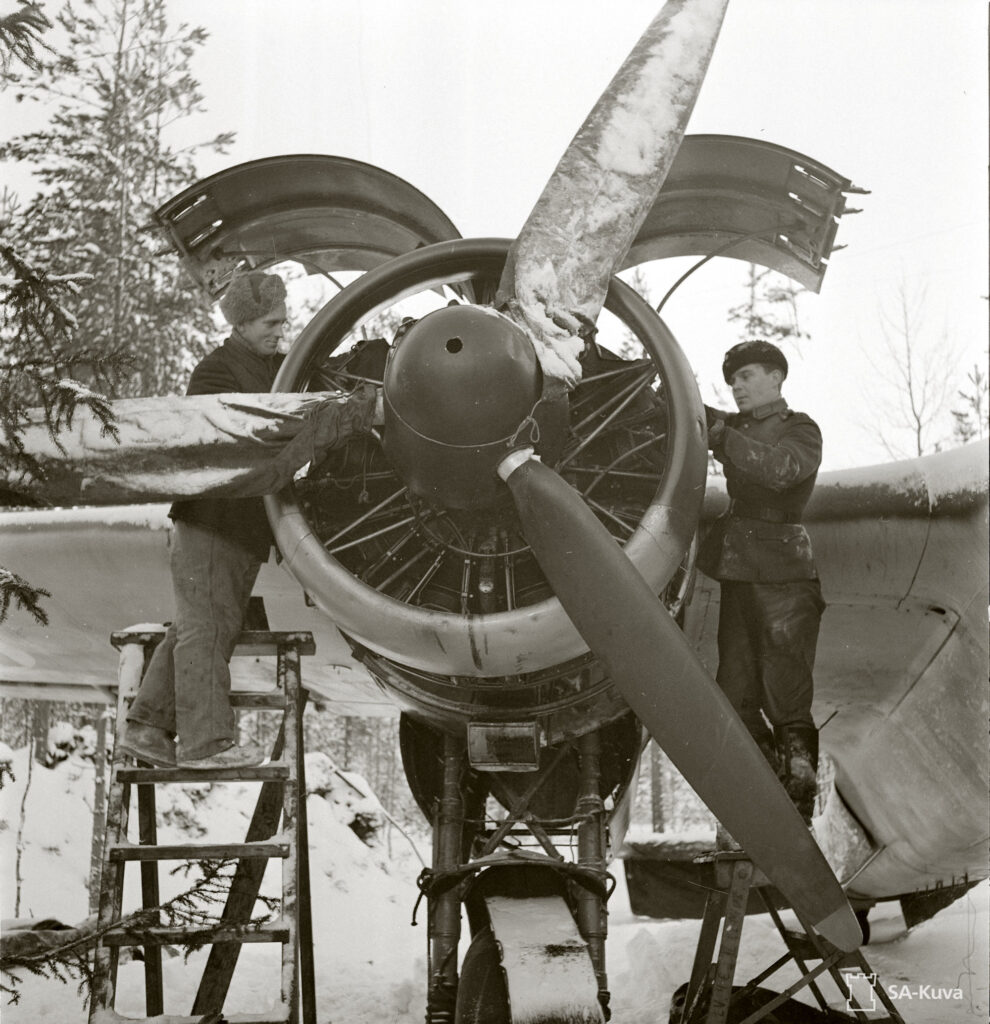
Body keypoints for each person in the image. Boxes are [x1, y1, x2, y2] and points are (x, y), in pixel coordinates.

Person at [119, 271, 376, 770]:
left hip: (237, 530)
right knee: (206, 629)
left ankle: (148, 729)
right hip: (212, 522)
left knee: (203, 623)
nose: (281, 330)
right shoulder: (213, 376)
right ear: (239, 323)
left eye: (283, 320)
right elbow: (247, 452)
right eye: (269, 322)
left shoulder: (276, 366)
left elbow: (318, 378)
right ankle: (203, 744)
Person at [697, 340, 825, 825]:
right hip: (739, 572)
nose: (736, 384)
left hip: (785, 575)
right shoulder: (733, 428)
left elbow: (782, 470)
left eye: (747, 375)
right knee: (735, 696)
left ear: (776, 377)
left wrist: (721, 437)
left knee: (787, 698)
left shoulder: (800, 428)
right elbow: (693, 415)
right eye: (733, 378)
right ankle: (772, 797)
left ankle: (798, 806)